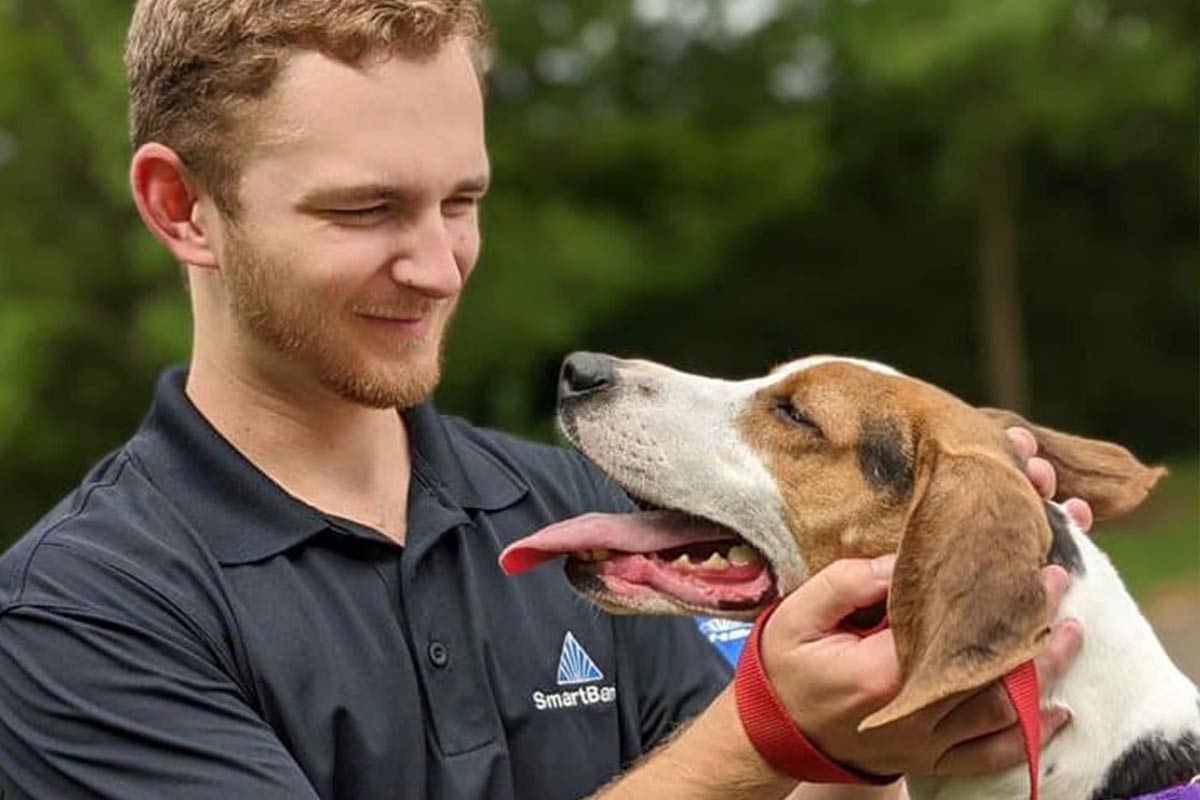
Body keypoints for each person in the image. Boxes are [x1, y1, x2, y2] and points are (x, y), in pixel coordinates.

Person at [0, 2, 1090, 798]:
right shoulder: (79, 618)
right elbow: (744, 760)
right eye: (367, 209)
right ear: (180, 204)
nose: (438, 264)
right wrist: (769, 734)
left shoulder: (571, 510)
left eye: (462, 199)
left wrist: (895, 657)